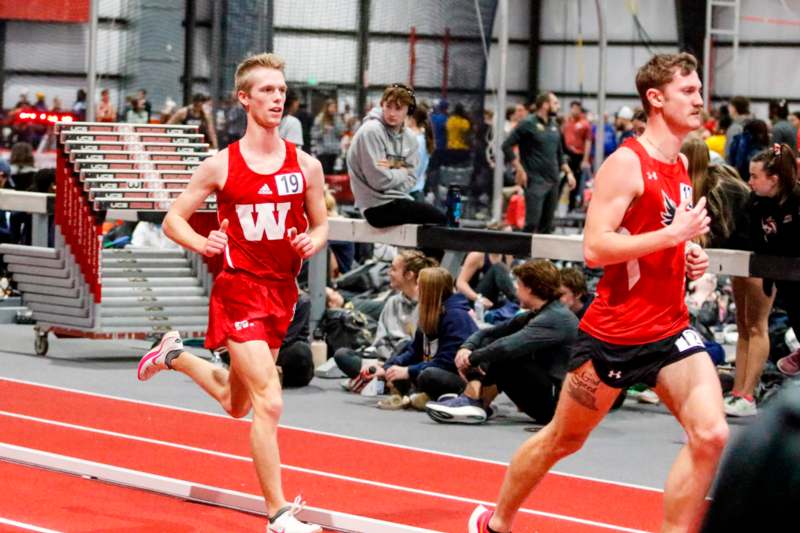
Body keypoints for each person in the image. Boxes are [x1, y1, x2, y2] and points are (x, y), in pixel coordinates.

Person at [468, 52, 727, 533]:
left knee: (711, 434)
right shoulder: (626, 164)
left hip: (670, 331)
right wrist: (673, 238)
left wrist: (688, 254)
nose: (699, 100)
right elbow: (595, 248)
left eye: (698, 90)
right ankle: (496, 520)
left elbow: (664, 234)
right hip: (613, 336)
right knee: (563, 439)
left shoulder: (681, 169)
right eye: (687, 91)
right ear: (655, 98)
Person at [136, 52, 327, 533]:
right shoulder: (220, 165)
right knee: (271, 401)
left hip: (282, 292)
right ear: (244, 98)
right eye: (266, 90)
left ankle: (174, 354)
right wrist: (206, 242)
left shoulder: (306, 166)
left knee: (237, 402)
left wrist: (312, 240)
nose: (277, 98)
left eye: (281, 90)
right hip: (238, 290)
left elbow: (323, 225)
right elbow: (172, 219)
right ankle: (278, 514)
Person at [427, 260, 578, 425]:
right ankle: (479, 402)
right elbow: (490, 332)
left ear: (529, 288)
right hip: (554, 397)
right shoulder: (543, 312)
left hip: (556, 407)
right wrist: (466, 348)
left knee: (506, 354)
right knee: (496, 344)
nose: (515, 290)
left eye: (518, 285)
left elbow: (506, 347)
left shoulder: (554, 318)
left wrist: (471, 359)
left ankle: (473, 399)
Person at [376, 267, 477, 409]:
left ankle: (427, 396)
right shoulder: (430, 313)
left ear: (430, 291)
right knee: (402, 352)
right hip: (430, 367)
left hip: (460, 378)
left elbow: (448, 363)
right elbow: (414, 350)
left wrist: (408, 371)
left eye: (419, 286)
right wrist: (389, 367)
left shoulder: (456, 316)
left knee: (428, 375)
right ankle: (414, 394)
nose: (416, 289)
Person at [347, 84, 446, 227]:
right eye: (388, 106)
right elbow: (378, 179)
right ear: (382, 105)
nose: (392, 113)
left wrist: (393, 175)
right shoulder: (371, 131)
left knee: (438, 222)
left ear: (408, 110)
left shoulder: (410, 138)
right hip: (375, 207)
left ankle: (420, 251)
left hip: (400, 199)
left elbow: (412, 176)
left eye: (398, 108)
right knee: (438, 219)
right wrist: (402, 172)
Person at [333, 250, 436, 382]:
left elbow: (420, 349)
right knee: (342, 355)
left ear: (409, 275)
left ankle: (381, 379)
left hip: (411, 363)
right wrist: (381, 363)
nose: (388, 273)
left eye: (393, 269)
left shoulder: (427, 305)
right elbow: (380, 341)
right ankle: (382, 378)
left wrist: (392, 363)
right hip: (386, 359)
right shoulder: (392, 302)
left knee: (406, 345)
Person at [745, 145, 800, 379]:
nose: (750, 182)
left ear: (774, 179)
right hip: (784, 277)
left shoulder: (797, 201)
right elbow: (756, 240)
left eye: (755, 176)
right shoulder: (757, 203)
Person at [503, 91, 575, 234]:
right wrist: (519, 169)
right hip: (535, 181)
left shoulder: (554, 126)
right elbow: (506, 146)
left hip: (553, 181)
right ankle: (520, 255)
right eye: (555, 103)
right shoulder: (528, 123)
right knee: (532, 223)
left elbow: (559, 154)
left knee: (547, 226)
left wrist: (569, 173)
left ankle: (542, 257)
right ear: (545, 105)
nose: (558, 106)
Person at [562, 101, 592, 211]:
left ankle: (571, 208)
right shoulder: (566, 122)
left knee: (575, 183)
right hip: (566, 155)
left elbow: (588, 142)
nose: (574, 110)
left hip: (578, 156)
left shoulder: (585, 124)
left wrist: (585, 159)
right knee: (561, 182)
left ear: (580, 110)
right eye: (572, 108)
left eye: (576, 108)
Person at [310, 99, 345, 174]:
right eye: (331, 107)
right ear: (327, 108)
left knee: (332, 173)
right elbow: (313, 135)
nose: (333, 109)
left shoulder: (337, 119)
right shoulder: (319, 119)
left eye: (334, 107)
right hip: (323, 151)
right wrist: (323, 131)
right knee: (325, 172)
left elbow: (341, 132)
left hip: (334, 151)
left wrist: (336, 123)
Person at [406, 106, 433, 201]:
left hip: (410, 193)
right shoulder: (423, 138)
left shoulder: (415, 140)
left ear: (412, 119)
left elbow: (413, 169)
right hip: (416, 190)